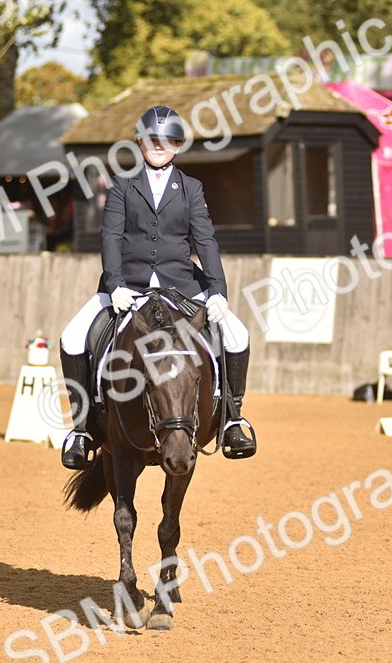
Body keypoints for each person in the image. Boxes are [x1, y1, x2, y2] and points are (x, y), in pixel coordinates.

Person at [58, 105, 257, 470]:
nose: (160, 145)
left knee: (237, 335)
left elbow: (206, 240)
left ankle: (232, 419)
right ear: (139, 142)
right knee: (72, 337)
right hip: (127, 285)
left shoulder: (191, 188)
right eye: (152, 139)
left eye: (168, 140)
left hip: (181, 284)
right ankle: (83, 429)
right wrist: (115, 283)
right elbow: (111, 236)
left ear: (178, 145)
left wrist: (218, 292)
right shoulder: (122, 183)